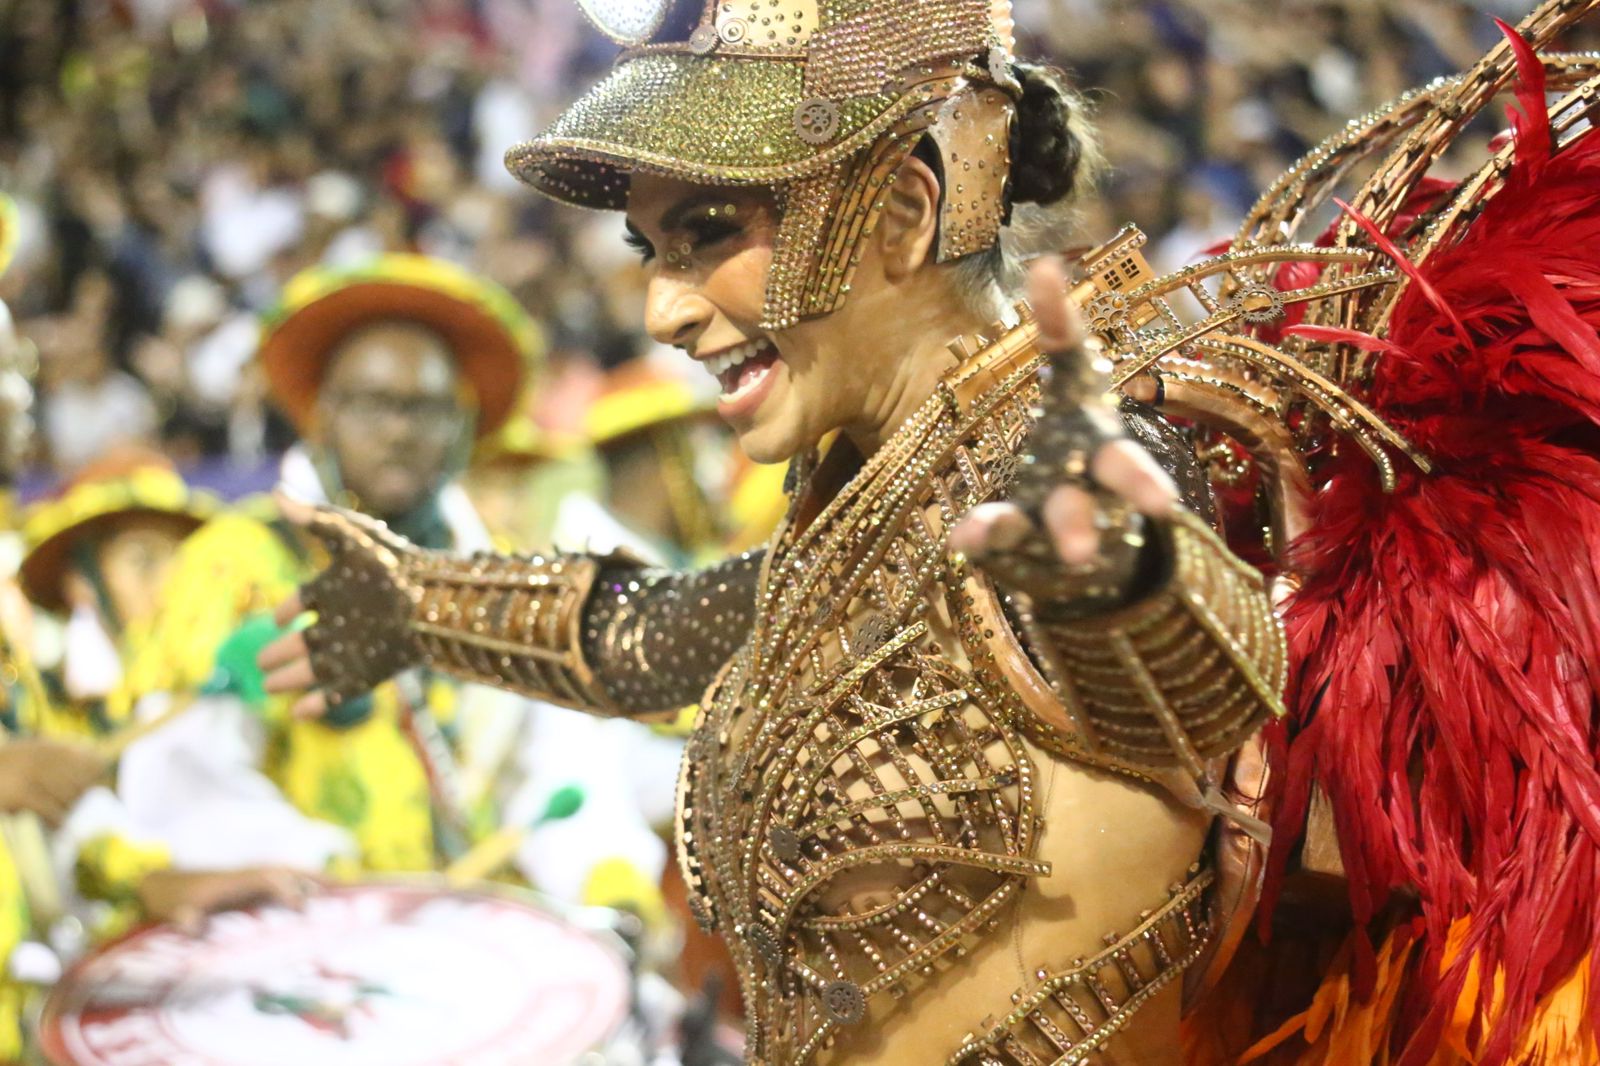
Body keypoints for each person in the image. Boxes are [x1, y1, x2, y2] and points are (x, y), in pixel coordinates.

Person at [260, 2, 1287, 1062]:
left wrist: (1130, 578)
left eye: (708, 232)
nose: (663, 309)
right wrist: (416, 604)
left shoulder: (1060, 467)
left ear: (899, 211)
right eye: (651, 248)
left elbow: (1195, 686)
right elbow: (649, 636)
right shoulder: (862, 510)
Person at [125, 253, 668, 915]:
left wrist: (605, 884)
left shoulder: (502, 577)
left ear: (462, 429)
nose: (400, 432)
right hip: (300, 946)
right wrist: (332, 877)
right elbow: (184, 784)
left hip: (477, 945)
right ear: (320, 414)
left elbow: (561, 768)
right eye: (375, 404)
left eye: (428, 409)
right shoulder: (237, 563)